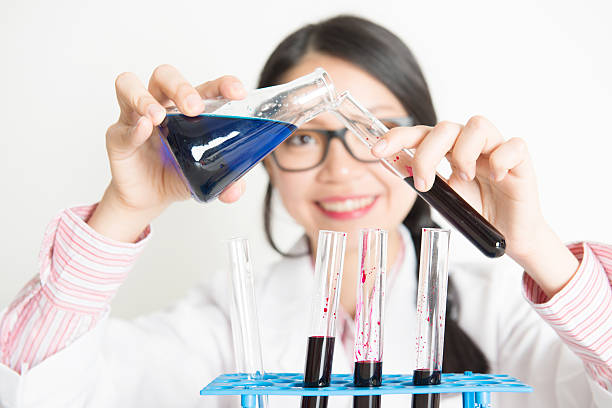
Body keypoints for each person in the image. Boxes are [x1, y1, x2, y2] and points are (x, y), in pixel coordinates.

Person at [0, 15, 610, 408]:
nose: (340, 168)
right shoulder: (224, 323)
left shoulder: (498, 314)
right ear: (261, 158)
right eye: (300, 137)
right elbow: (39, 383)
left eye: (374, 130)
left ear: (422, 139)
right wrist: (124, 208)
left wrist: (539, 247)